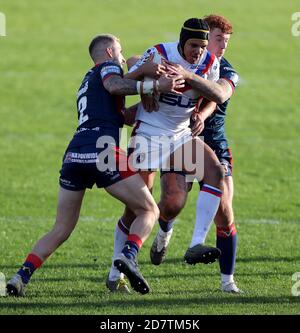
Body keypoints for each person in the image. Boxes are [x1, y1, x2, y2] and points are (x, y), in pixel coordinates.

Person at [6, 34, 185, 296]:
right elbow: (114, 85)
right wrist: (154, 85)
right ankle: (128, 255)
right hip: (102, 149)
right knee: (149, 210)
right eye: (121, 52)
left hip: (74, 153)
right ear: (110, 52)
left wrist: (156, 104)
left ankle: (20, 277)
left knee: (61, 228)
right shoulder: (108, 67)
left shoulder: (86, 82)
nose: (124, 58)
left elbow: (120, 115)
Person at [106, 18, 235, 293]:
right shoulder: (161, 53)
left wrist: (198, 102)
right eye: (193, 45)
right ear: (182, 41)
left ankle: (195, 243)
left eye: (201, 46)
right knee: (137, 208)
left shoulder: (211, 62)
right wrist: (150, 82)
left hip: (180, 136)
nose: (197, 51)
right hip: (148, 133)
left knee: (215, 171)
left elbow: (216, 94)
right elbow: (133, 71)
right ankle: (115, 272)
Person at [150, 15, 243, 293]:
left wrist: (201, 113)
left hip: (212, 141)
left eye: (226, 42)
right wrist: (149, 86)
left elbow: (220, 94)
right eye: (217, 39)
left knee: (225, 212)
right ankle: (165, 230)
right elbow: (137, 60)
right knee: (172, 201)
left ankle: (227, 281)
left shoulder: (225, 69)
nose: (222, 46)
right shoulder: (176, 58)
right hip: (179, 139)